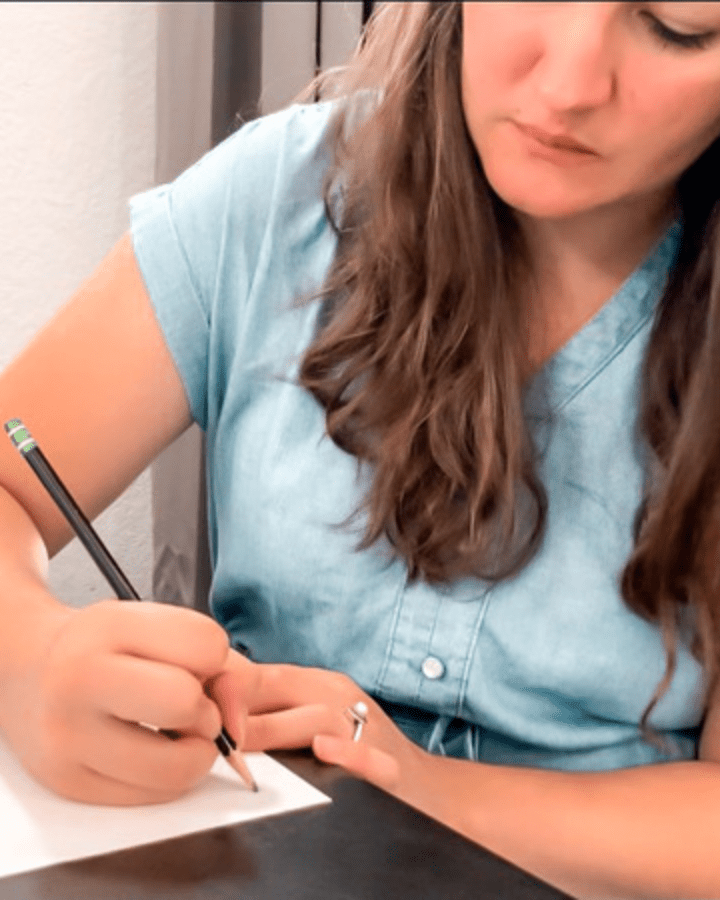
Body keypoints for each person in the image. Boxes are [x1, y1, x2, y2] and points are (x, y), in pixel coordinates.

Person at [1, 1, 720, 896]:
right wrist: (27, 657)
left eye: (681, 27)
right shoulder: (279, 200)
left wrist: (423, 792)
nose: (570, 86)